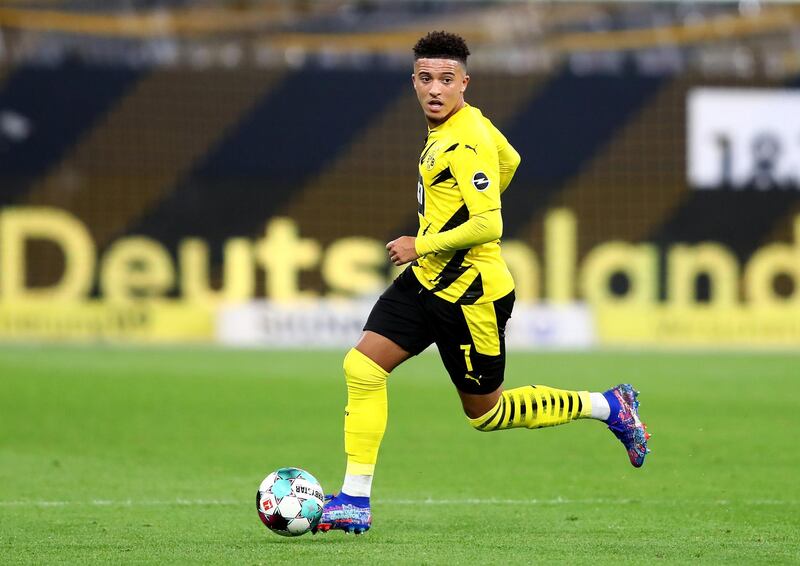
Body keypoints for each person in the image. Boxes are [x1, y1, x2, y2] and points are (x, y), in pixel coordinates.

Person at [313, 31, 649, 535]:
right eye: (426, 79)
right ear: (414, 81)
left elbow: (491, 225)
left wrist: (421, 243)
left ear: (464, 83)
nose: (435, 89)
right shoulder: (468, 125)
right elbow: (510, 160)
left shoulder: (464, 137)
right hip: (427, 283)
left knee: (485, 415)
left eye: (447, 80)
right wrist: (449, 226)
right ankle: (354, 500)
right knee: (362, 366)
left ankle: (608, 405)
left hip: (470, 296)